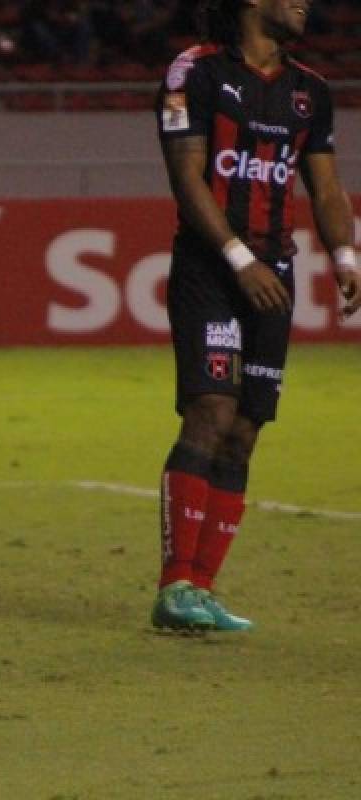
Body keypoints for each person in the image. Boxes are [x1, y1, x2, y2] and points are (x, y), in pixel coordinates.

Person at [152, 0, 359, 631]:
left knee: (246, 429)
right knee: (211, 409)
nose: (304, 3)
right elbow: (187, 177)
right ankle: (174, 587)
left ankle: (205, 590)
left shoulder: (309, 92)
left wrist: (346, 254)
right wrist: (239, 258)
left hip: (277, 273)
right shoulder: (195, 72)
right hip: (211, 268)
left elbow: (323, 187)